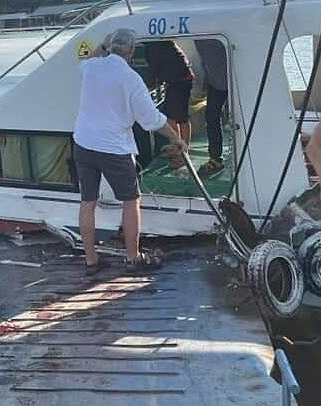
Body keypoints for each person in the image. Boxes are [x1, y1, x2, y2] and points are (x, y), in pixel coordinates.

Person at [74, 29, 187, 275]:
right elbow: (152, 120)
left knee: (87, 202)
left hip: (83, 143)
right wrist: (177, 138)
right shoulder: (131, 78)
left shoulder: (91, 67)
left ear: (110, 47)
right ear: (132, 52)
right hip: (113, 148)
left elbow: (85, 62)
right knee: (131, 201)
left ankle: (91, 261)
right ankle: (133, 257)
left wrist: (102, 46)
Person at [144, 40, 194, 169]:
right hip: (173, 80)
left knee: (182, 117)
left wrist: (148, 87)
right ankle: (176, 145)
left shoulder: (154, 45)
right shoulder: (154, 44)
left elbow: (154, 67)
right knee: (169, 116)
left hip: (181, 79)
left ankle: (183, 153)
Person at [194, 39, 229, 176]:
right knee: (211, 117)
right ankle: (215, 158)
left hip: (237, 80)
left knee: (242, 119)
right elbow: (205, 62)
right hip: (215, 83)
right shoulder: (199, 37)